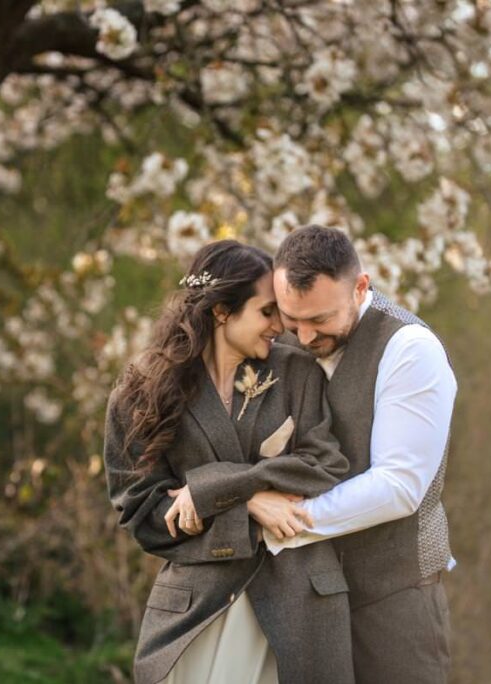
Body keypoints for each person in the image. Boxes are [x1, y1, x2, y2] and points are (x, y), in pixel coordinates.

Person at [103, 239, 354, 684]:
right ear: (222, 311)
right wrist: (251, 503)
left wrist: (213, 488)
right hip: (198, 608)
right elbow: (142, 512)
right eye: (267, 312)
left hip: (299, 603)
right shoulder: (141, 388)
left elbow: (325, 464)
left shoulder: (297, 370)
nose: (282, 325)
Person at [264, 225, 457, 683]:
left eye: (321, 320)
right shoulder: (280, 342)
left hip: (396, 597)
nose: (305, 336)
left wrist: (282, 523)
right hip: (304, 601)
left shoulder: (410, 348)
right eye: (294, 320)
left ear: (361, 287)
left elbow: (398, 487)